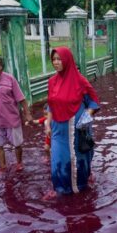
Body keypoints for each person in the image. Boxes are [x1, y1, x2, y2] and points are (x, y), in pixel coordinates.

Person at [45, 46, 100, 198]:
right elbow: (51, 103)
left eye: (59, 59)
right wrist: (48, 123)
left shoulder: (80, 81)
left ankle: (78, 188)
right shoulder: (52, 82)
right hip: (58, 129)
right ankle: (60, 189)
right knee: (58, 159)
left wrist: (86, 116)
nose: (56, 62)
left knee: (77, 159)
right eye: (53, 59)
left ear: (67, 60)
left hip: (75, 129)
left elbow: (94, 101)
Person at [0, 53, 33, 173]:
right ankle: (3, 166)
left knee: (17, 144)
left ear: (1, 66)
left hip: (12, 119)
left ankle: (19, 163)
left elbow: (21, 99)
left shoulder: (10, 79)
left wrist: (27, 113)